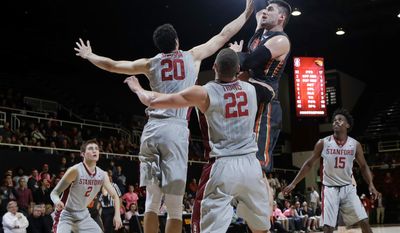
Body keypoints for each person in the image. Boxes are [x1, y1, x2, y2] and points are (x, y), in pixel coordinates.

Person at [74, 1, 255, 233]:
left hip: (151, 131)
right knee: (175, 207)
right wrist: (246, 13)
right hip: (175, 131)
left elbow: (112, 65)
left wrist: (90, 55)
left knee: (151, 202)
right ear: (177, 40)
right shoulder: (192, 57)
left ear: (159, 46)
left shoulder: (150, 64)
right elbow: (223, 35)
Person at [124, 48, 271, 233]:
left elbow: (153, 101)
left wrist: (137, 88)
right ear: (238, 69)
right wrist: (236, 56)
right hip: (251, 165)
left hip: (222, 166)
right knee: (260, 228)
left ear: (215, 67)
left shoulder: (204, 92)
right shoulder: (251, 89)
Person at [283, 108, 379, 233]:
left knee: (364, 221)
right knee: (328, 228)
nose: (336, 122)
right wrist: (294, 183)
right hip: (330, 188)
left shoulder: (355, 144)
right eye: (334, 120)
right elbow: (309, 164)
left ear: (347, 125)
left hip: (348, 187)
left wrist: (371, 184)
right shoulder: (323, 143)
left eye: (340, 120)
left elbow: (363, 166)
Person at [229, 0, 291, 173]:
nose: (264, 12)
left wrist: (235, 55)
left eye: (270, 10)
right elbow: (257, 4)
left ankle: (265, 199)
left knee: (257, 166)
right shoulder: (261, 26)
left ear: (281, 17)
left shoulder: (280, 40)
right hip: (251, 96)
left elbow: (249, 61)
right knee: (242, 160)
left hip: (266, 102)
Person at [50, 139, 122, 233]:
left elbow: (115, 196)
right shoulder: (75, 170)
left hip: (84, 214)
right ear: (83, 154)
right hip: (67, 214)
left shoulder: (103, 175)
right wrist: (57, 201)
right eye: (91, 148)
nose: (94, 150)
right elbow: (54, 193)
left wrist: (117, 215)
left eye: (96, 148)